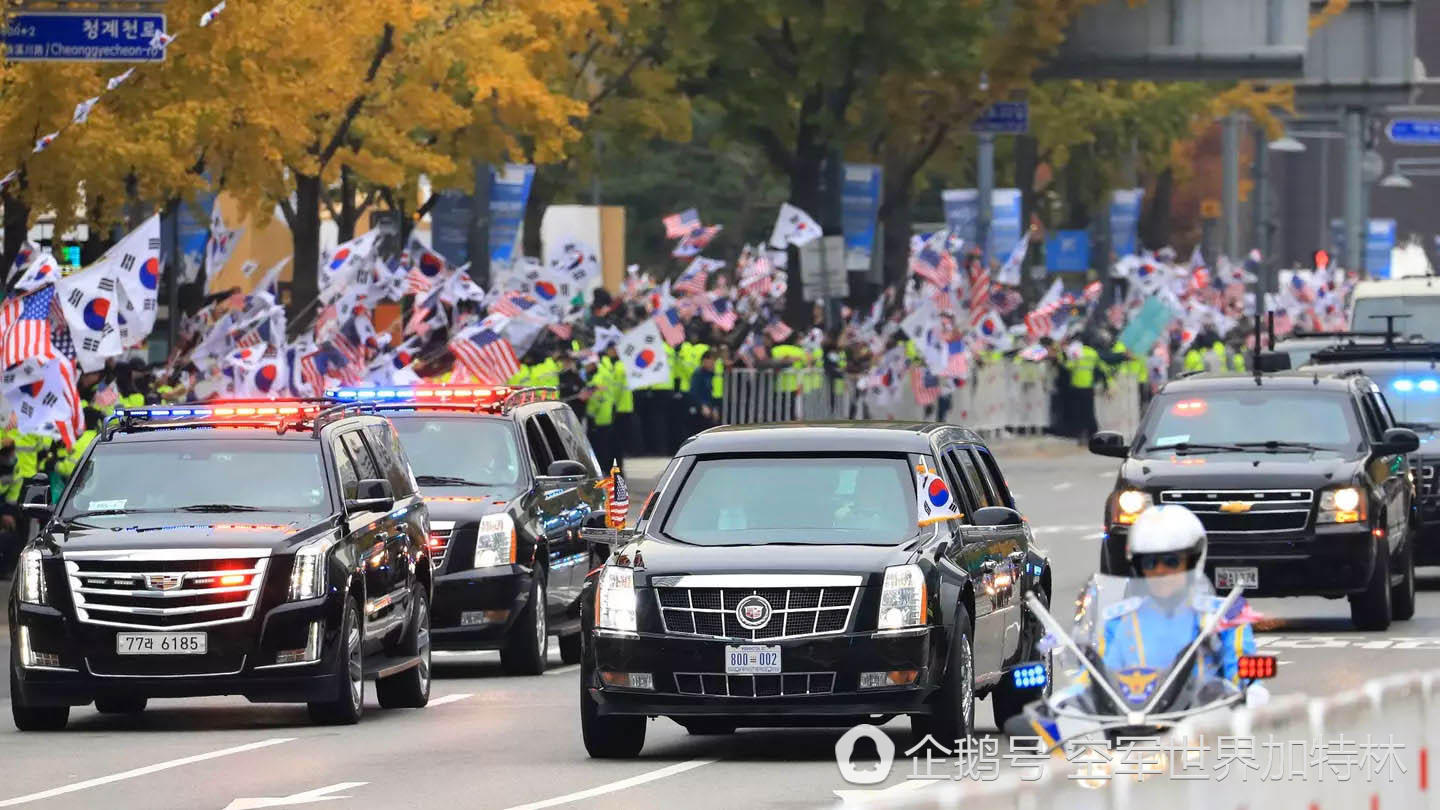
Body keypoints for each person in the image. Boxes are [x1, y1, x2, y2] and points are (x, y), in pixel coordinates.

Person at [1100, 505, 1256, 690]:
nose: (1160, 571)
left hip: (1206, 716)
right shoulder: (1117, 620)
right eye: (1150, 562)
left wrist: (1252, 692)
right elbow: (1092, 680)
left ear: (1192, 561)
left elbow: (1242, 676)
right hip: (1134, 716)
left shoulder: (1225, 615)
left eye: (1171, 561)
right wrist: (1066, 703)